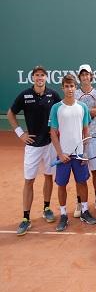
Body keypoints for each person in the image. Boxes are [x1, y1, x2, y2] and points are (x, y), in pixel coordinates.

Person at [7, 65, 61, 235]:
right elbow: (10, 113)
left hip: (50, 145)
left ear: (46, 78)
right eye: (37, 75)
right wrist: (20, 133)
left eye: (42, 75)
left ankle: (46, 208)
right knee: (29, 180)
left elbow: (61, 113)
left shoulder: (53, 95)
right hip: (32, 146)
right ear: (33, 78)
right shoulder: (25, 95)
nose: (39, 78)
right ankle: (26, 218)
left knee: (48, 177)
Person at [49, 74, 96, 231]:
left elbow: (86, 131)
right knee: (62, 185)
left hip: (80, 154)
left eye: (72, 86)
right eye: (67, 86)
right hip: (64, 155)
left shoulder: (82, 107)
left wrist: (85, 152)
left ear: (76, 88)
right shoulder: (56, 108)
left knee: (82, 183)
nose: (69, 89)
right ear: (62, 88)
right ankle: (63, 215)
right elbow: (53, 133)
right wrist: (60, 153)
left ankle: (84, 210)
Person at [74, 64, 96, 217]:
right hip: (78, 139)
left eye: (87, 74)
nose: (85, 77)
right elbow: (74, 113)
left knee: (95, 171)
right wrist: (89, 111)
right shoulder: (74, 93)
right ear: (79, 77)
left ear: (91, 76)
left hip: (93, 138)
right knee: (80, 173)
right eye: (82, 75)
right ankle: (79, 202)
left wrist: (81, 110)